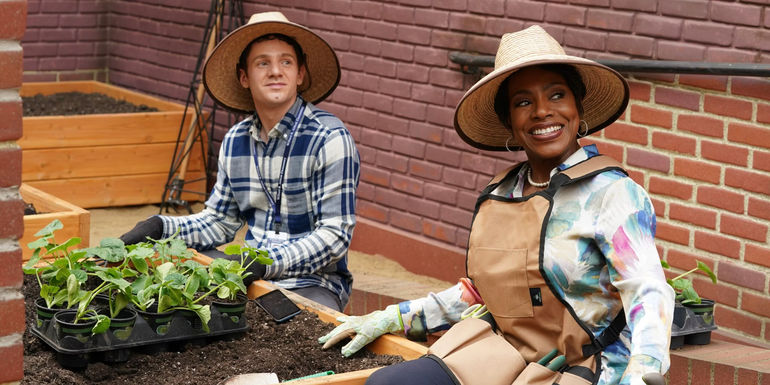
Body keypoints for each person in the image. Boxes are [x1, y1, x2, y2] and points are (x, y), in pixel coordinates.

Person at [318, 25, 674, 385]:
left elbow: (647, 290)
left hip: (586, 366)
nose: (542, 111)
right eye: (523, 102)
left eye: (557, 95)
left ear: (578, 108)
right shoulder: (504, 192)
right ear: (509, 121)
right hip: (505, 354)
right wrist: (394, 317)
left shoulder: (611, 193)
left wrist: (643, 369)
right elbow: (481, 293)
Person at [120, 11, 360, 312]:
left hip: (312, 283)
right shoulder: (236, 140)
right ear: (244, 77)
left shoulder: (330, 138)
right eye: (263, 63)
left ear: (300, 74)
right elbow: (219, 221)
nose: (276, 71)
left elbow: (334, 237)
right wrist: (160, 227)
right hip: (247, 274)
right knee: (176, 296)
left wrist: (262, 263)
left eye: (286, 62)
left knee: (291, 328)